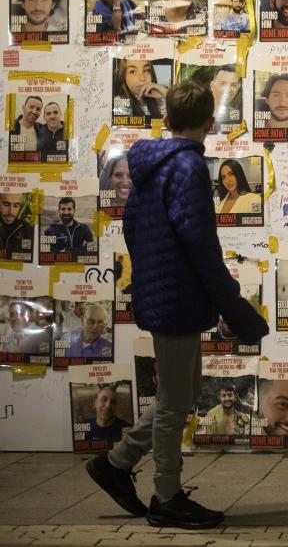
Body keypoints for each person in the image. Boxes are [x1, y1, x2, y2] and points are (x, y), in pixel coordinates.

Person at [85, 80, 268, 528]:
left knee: (181, 394)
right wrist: (238, 311)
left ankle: (117, 461)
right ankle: (166, 497)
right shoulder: (186, 169)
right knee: (172, 403)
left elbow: (136, 232)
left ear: (166, 120)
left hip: (164, 291)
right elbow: (201, 247)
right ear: (211, 122)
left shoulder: (150, 166)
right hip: (178, 298)